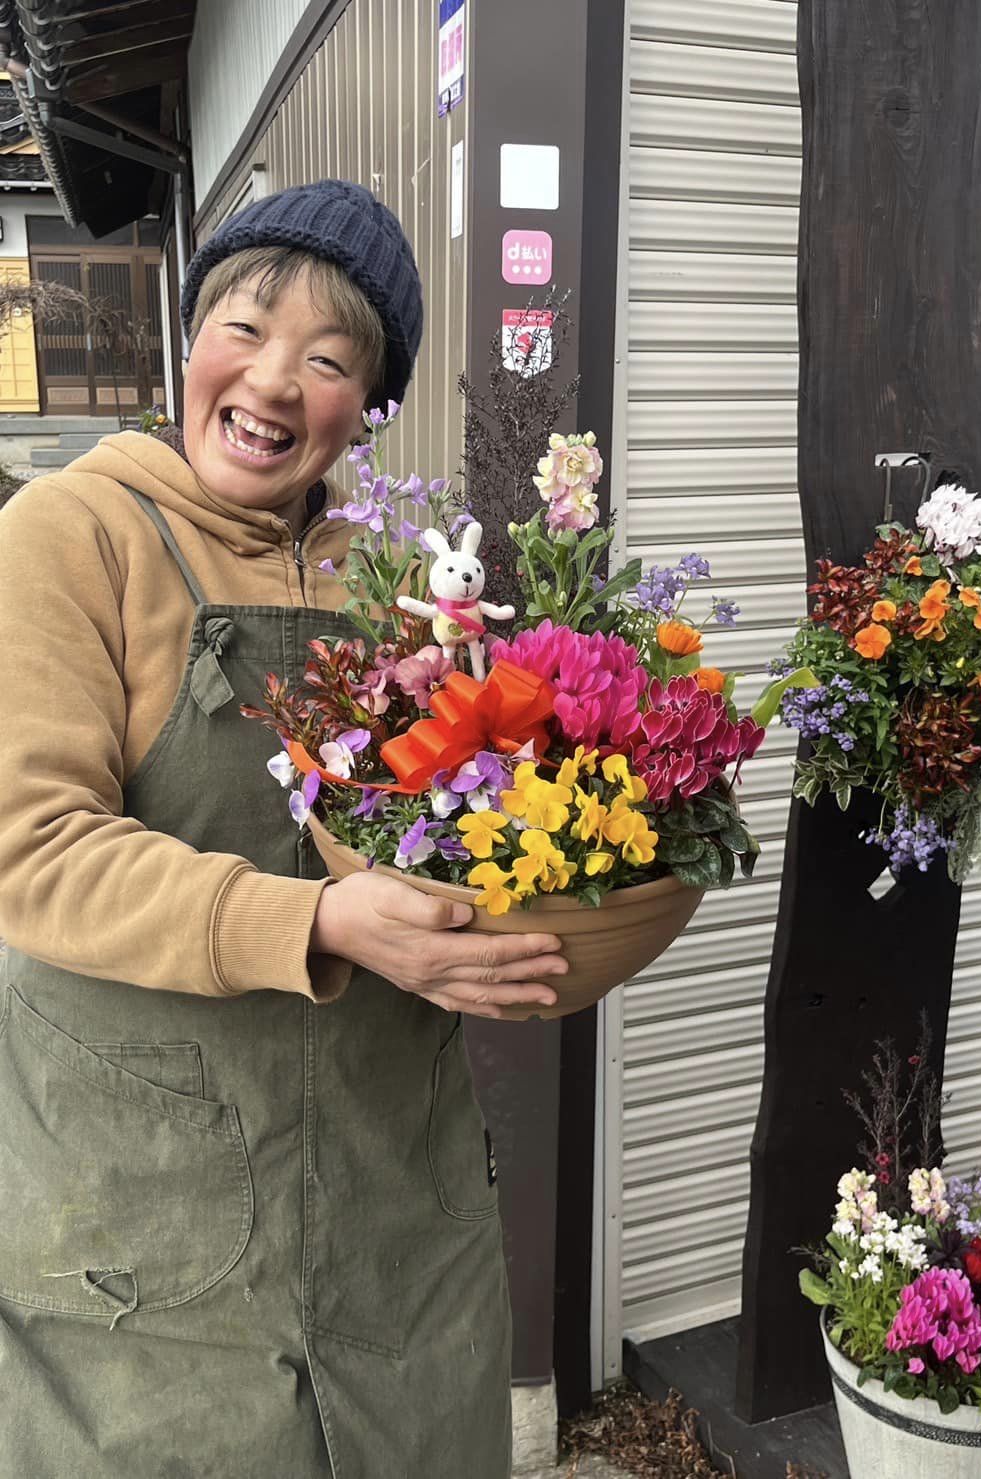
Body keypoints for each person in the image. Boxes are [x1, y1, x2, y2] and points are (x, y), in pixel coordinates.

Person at [0, 179, 567, 1478]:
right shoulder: (71, 533)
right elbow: (29, 850)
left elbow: (447, 827)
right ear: (187, 342)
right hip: (146, 1216)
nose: (271, 382)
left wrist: (538, 881)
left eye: (328, 359)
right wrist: (309, 917)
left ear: (367, 412)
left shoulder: (392, 580)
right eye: (244, 330)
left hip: (393, 1188)